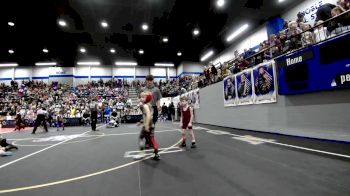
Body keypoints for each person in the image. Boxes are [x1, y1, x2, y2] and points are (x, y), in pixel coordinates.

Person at [138, 92, 160, 160]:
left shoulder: (145, 106)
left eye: (142, 97)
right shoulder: (149, 105)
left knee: (141, 137)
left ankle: (142, 153)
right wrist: (141, 121)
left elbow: (148, 115)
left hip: (147, 125)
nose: (141, 98)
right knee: (152, 139)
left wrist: (146, 125)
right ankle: (156, 153)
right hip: (152, 125)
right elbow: (147, 115)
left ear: (147, 98)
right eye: (140, 97)